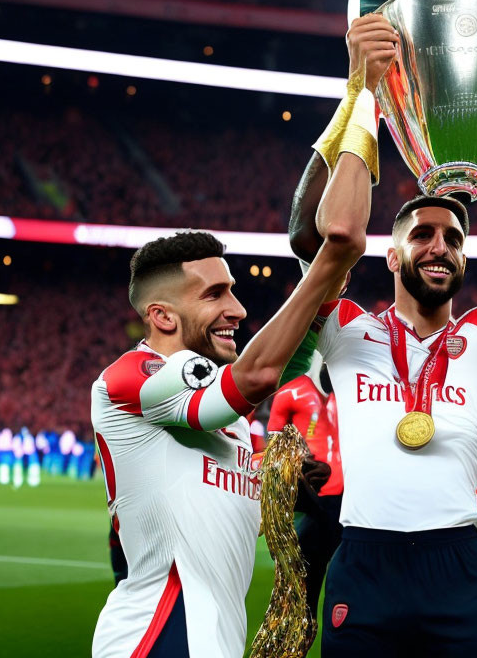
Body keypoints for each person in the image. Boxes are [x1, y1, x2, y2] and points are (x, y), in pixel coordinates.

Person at [287, 14, 477, 657]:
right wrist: (356, 92)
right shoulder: (348, 331)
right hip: (362, 561)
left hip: (458, 566)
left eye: (453, 238)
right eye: (421, 235)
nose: (439, 245)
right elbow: (310, 238)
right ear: (392, 257)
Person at [90, 228, 360, 658]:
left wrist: (280, 489)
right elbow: (260, 375)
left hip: (211, 638)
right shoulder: (127, 379)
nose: (238, 309)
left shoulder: (226, 421)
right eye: (215, 294)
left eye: (232, 291)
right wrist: (328, 261)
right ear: (163, 317)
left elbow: (222, 522)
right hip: (157, 634)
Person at [267, 363, 343, 627]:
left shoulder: (346, 393)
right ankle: (296, 641)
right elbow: (274, 446)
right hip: (317, 498)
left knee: (351, 583)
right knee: (304, 588)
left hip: (351, 497)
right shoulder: (292, 393)